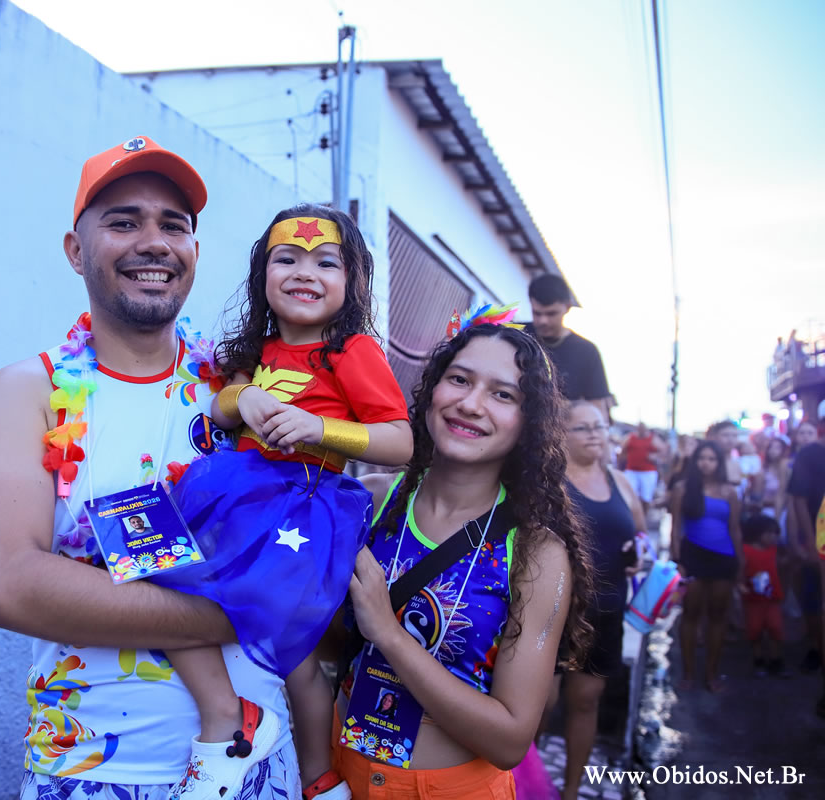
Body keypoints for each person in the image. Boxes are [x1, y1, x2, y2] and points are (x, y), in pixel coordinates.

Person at [0, 135, 300, 799]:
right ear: (75, 250)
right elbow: (3, 585)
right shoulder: (26, 392)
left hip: (259, 771)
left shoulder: (247, 387)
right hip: (93, 773)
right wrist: (241, 611)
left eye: (174, 225)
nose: (154, 243)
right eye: (123, 222)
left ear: (195, 250)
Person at [151, 204, 412, 800]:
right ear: (262, 274)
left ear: (353, 281)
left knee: (285, 649)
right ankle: (274, 746)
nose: (305, 273)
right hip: (234, 501)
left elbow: (401, 442)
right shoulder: (254, 349)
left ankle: (302, 767)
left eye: (326, 262)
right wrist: (240, 399)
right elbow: (219, 408)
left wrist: (320, 429)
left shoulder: (353, 352)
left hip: (300, 508)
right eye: (287, 258)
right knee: (156, 570)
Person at [338, 313, 595, 799]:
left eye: (503, 395)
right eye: (459, 379)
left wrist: (389, 633)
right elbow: (323, 642)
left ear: (529, 422)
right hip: (338, 774)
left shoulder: (536, 554)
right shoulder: (369, 502)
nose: (471, 405)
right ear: (433, 389)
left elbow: (510, 740)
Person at [558, 401, 645, 800]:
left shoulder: (620, 481)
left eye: (599, 426)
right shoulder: (551, 481)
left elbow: (639, 535)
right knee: (539, 706)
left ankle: (571, 791)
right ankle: (522, 785)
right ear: (562, 435)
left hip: (607, 610)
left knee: (586, 703)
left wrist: (638, 554)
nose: (594, 434)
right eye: (583, 428)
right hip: (556, 612)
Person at [670, 441, 743, 692]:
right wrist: (677, 560)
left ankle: (712, 673)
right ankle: (688, 673)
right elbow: (675, 527)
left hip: (723, 558)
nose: (706, 463)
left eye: (712, 459)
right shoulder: (682, 488)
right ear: (695, 461)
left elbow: (735, 529)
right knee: (690, 614)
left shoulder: (729, 492)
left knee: (718, 616)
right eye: (702, 458)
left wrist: (741, 564)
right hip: (692, 557)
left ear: (719, 463)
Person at [523, 274, 612, 420]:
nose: (543, 320)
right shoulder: (516, 335)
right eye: (537, 313)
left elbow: (598, 410)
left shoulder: (587, 352)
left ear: (568, 307)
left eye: (551, 313)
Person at [787, 438, 825, 690]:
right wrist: (810, 545)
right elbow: (798, 500)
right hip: (817, 540)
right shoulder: (810, 454)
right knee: (815, 602)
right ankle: (815, 648)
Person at [740, 514, 790, 678]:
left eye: (775, 533)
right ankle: (758, 659)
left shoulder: (774, 551)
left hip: (772, 599)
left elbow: (783, 565)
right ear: (756, 533)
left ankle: (776, 660)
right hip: (753, 600)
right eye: (769, 533)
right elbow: (740, 571)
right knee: (755, 630)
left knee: (776, 628)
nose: (773, 537)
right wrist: (740, 585)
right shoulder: (745, 551)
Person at [621, 422, 660, 517]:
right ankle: (631, 517)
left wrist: (655, 456)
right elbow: (623, 450)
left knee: (646, 498)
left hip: (648, 472)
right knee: (628, 496)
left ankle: (643, 518)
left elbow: (663, 450)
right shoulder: (630, 437)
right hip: (631, 471)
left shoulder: (652, 438)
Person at [706, 420, 744, 488]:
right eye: (725, 435)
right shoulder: (707, 462)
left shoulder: (739, 462)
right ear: (714, 437)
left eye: (734, 435)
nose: (730, 439)